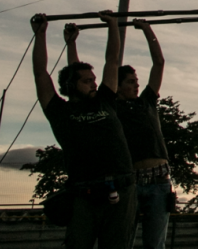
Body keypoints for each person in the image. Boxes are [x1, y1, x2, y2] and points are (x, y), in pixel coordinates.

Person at [31, 11, 136, 248]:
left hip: (122, 187)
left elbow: (112, 60)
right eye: (87, 80)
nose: (94, 83)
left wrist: (113, 25)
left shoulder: (104, 100)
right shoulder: (59, 111)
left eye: (93, 79)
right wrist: (40, 35)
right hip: (84, 193)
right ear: (70, 86)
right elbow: (40, 73)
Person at [66, 19, 170, 249]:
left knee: (156, 244)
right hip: (129, 183)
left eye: (137, 82)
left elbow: (159, 63)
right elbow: (77, 78)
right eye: (131, 82)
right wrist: (71, 44)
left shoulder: (147, 103)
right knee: (123, 242)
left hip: (159, 183)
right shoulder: (109, 107)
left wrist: (146, 29)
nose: (136, 85)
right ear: (118, 85)